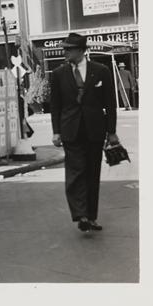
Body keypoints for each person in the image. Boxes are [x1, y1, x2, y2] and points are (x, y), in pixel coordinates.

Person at [50, 33, 119, 233]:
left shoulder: (101, 71)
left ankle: (91, 216)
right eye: (64, 48)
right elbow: (55, 106)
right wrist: (56, 132)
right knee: (76, 172)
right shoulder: (58, 74)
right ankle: (81, 214)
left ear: (81, 50)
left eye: (68, 49)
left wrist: (111, 132)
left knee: (92, 173)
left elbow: (110, 104)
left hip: (95, 130)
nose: (65, 52)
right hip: (70, 131)